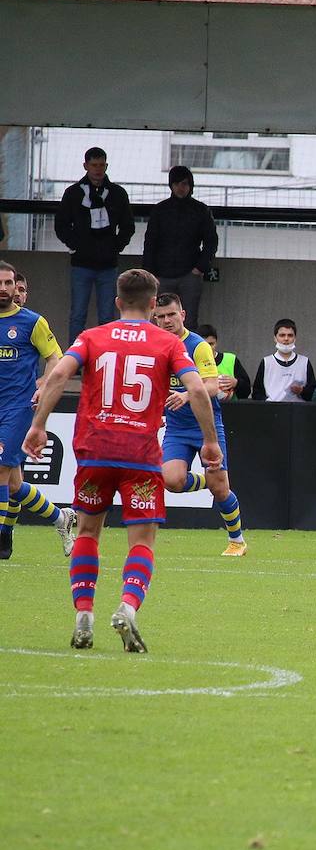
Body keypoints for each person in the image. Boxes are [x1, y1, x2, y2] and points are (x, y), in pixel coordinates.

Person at [24, 268, 221, 652]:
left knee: (87, 534)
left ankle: (84, 614)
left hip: (95, 450)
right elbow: (197, 388)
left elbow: (60, 373)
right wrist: (210, 441)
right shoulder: (167, 343)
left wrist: (38, 425)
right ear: (153, 304)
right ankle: (128, 607)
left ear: (116, 302)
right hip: (142, 457)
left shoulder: (92, 336)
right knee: (142, 541)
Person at [151, 293, 247, 557]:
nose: (167, 320)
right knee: (171, 480)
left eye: (172, 315)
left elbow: (212, 386)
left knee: (221, 490)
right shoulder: (156, 344)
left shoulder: (198, 346)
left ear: (182, 315)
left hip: (206, 425)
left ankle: (237, 540)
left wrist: (187, 393)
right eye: (161, 316)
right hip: (177, 427)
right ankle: (209, 480)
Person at [0, 262, 75, 560]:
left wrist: (43, 386)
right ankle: (61, 519)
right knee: (15, 484)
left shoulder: (32, 322)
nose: (4, 288)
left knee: (1, 470)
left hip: (17, 408)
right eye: (0, 283)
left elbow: (55, 358)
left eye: (8, 283)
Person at [54, 146, 135, 343]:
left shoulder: (117, 193)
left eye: (101, 165)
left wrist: (115, 246)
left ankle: (104, 355)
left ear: (106, 166)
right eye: (94, 165)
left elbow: (128, 226)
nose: (98, 169)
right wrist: (75, 244)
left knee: (107, 315)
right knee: (77, 314)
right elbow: (61, 224)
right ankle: (75, 360)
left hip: (108, 263)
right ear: (86, 166)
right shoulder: (73, 193)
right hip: (81, 262)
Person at [142, 165, 218, 329]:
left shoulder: (200, 210)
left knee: (188, 322)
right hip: (161, 275)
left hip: (189, 275)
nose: (180, 188)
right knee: (160, 320)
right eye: (176, 184)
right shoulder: (160, 210)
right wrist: (149, 273)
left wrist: (200, 267)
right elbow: (150, 242)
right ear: (171, 186)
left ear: (190, 186)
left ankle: (185, 355)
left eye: (184, 184)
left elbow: (211, 241)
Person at [251, 318, 316, 402]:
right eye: (282, 335)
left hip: (298, 411)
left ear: (295, 338)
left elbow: (314, 393)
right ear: (275, 338)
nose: (286, 339)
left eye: (290, 335)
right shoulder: (266, 362)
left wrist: (302, 391)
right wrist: (267, 402)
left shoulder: (305, 362)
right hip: (273, 411)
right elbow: (257, 392)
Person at [198, 323, 252, 401]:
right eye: (204, 345)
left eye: (211, 344)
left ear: (216, 342)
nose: (208, 348)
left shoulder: (231, 359)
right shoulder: (191, 363)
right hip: (202, 410)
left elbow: (247, 391)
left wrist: (236, 383)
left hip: (229, 410)